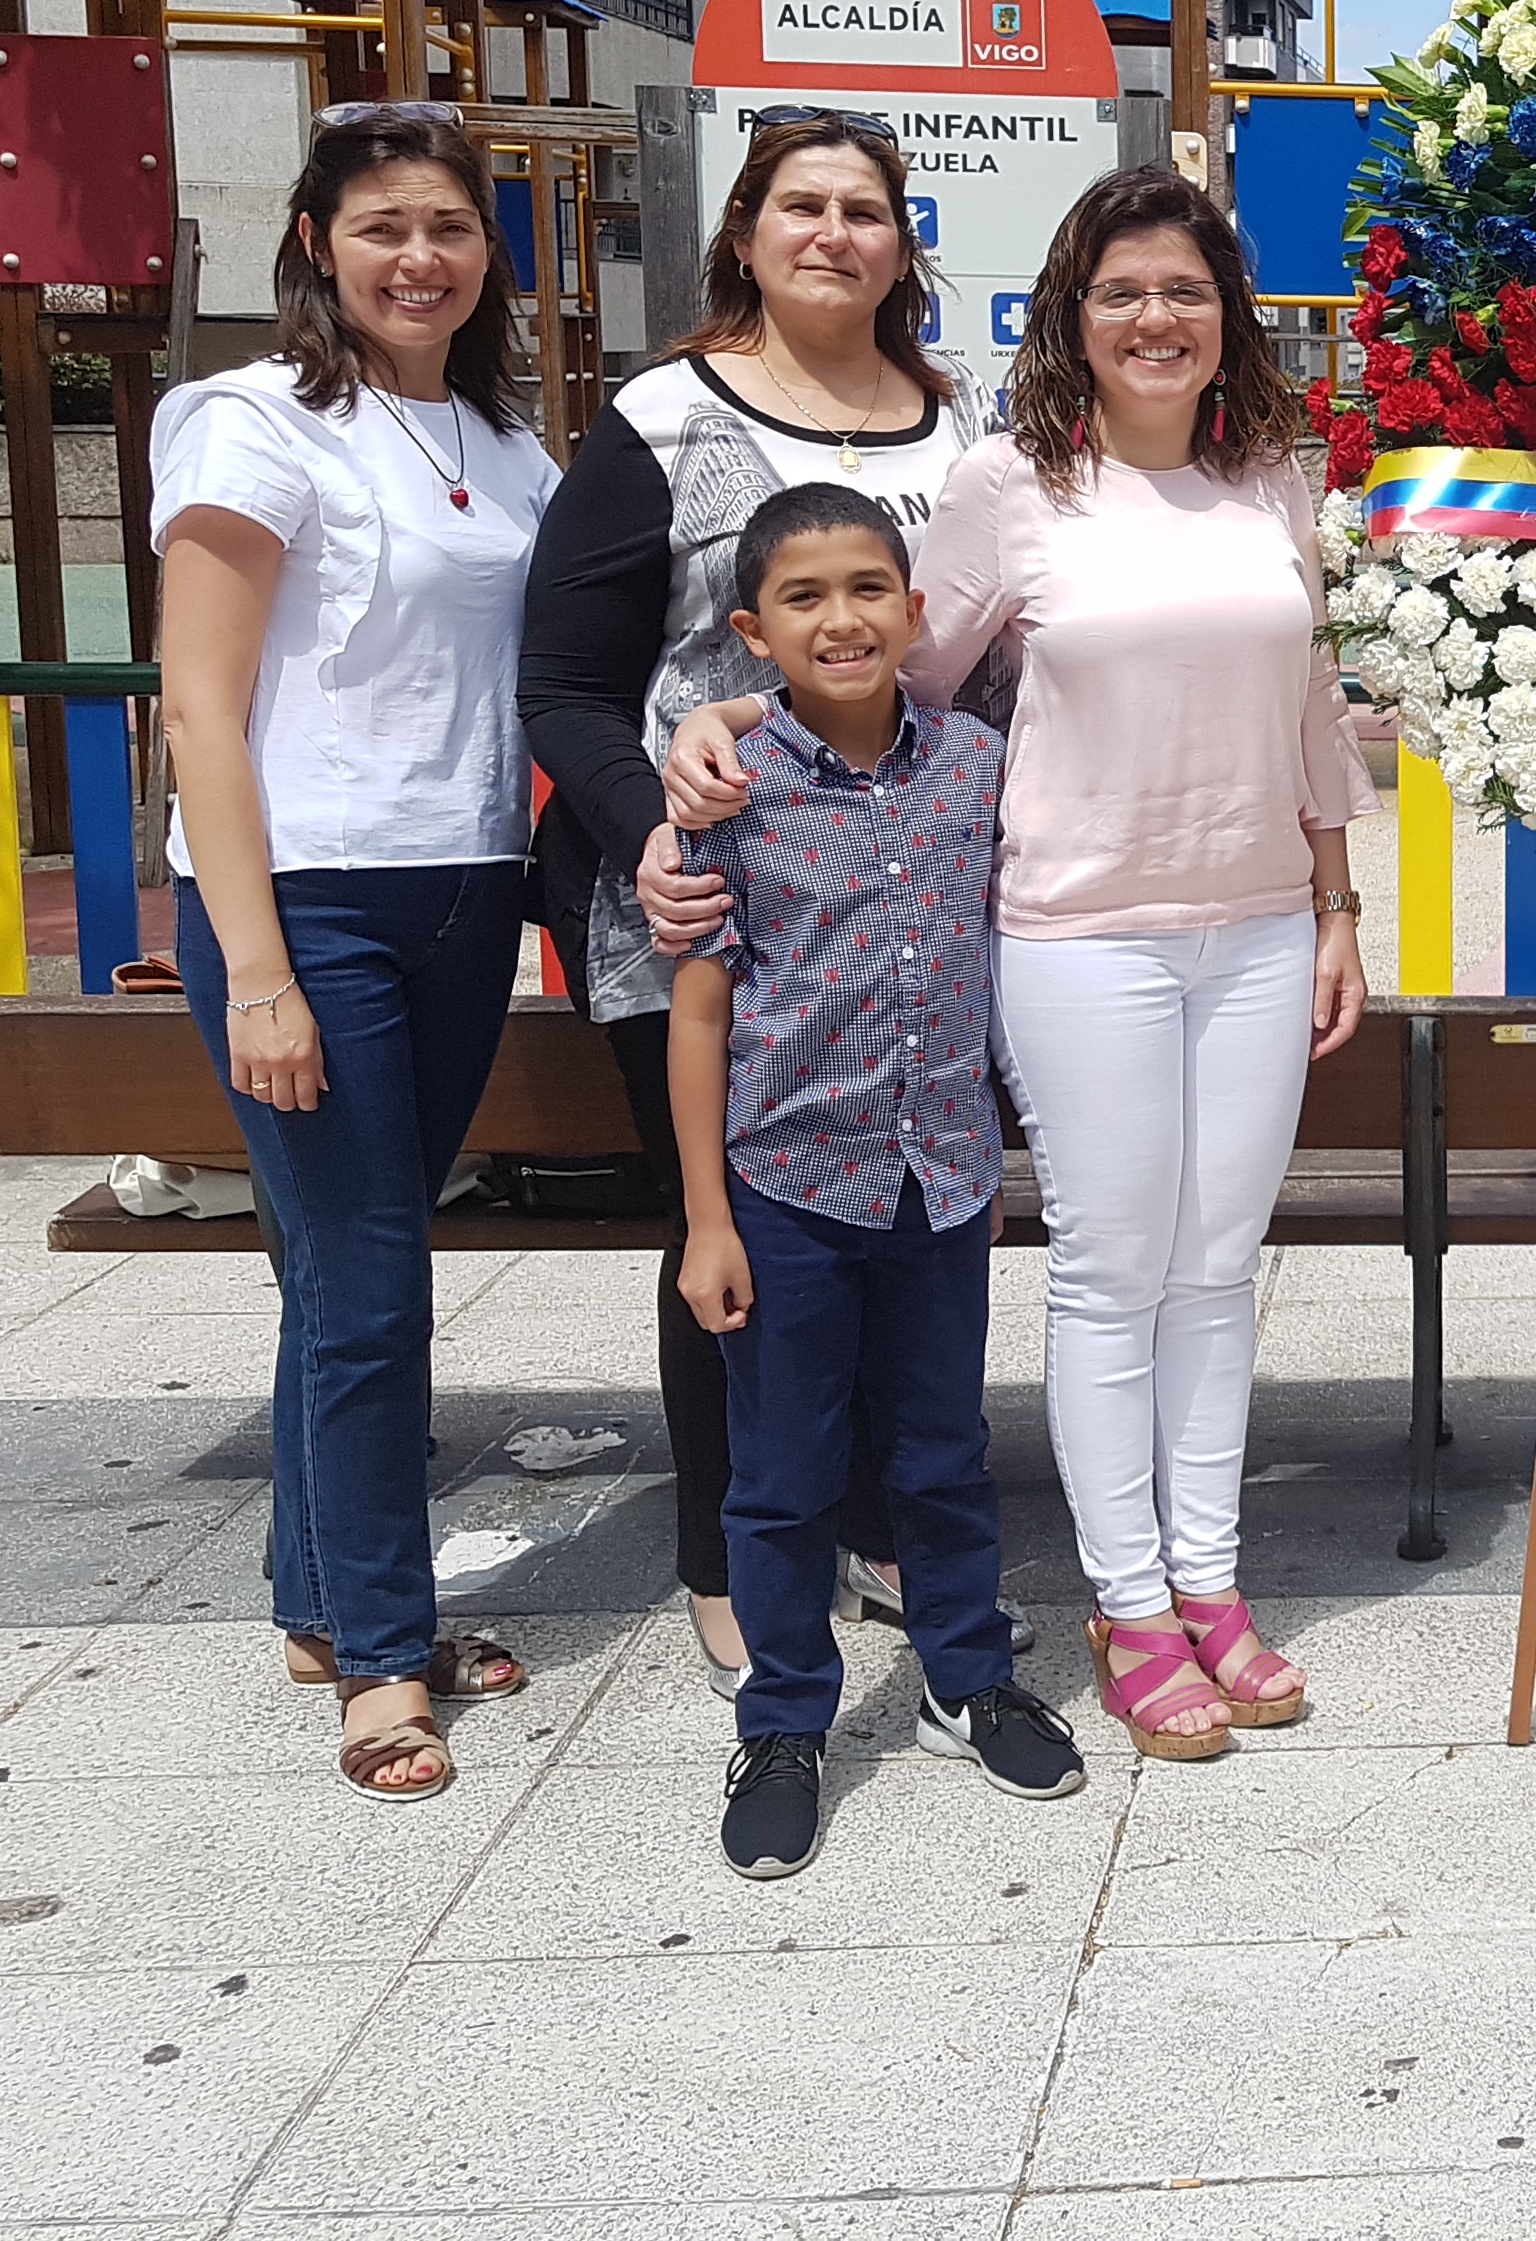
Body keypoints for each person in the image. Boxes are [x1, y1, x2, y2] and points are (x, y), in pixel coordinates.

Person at [663, 168, 1369, 1762]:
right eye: (1121, 290)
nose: (1154, 319)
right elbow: (882, 666)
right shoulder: (1012, 482)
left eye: (1183, 289)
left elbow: (1313, 703)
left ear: (1226, 313)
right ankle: (1130, 1607)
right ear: (1073, 312)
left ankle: (1214, 1583)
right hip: (1075, 934)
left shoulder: (1273, 474)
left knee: (1217, 1273)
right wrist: (717, 718)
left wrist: (1337, 906)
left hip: (1258, 925)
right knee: (1117, 1274)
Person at [517, 110, 995, 1695]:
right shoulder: (661, 416)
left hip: (895, 908)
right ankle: (728, 1550)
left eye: (868, 208)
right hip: (696, 902)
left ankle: (863, 1519)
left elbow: (987, 656)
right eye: (804, 205)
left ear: (903, 242)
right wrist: (662, 812)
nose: (835, 234)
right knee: (734, 1238)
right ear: (745, 231)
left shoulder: (963, 418)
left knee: (889, 1221)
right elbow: (569, 682)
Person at [156, 102, 559, 1799]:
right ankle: (388, 1662)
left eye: (451, 228)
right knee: (379, 1286)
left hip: (466, 885)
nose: (420, 257)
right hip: (309, 898)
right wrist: (253, 962)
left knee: (339, 1279)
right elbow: (198, 703)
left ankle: (324, 1596)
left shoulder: (505, 440)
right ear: (319, 238)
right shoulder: (254, 423)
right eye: (384, 225)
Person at [671, 484, 1085, 1875]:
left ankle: (966, 1679)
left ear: (916, 611)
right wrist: (708, 1221)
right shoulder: (735, 792)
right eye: (804, 597)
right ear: (753, 632)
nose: (841, 618)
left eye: (868, 589)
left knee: (942, 1451)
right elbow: (702, 1012)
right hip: (788, 1188)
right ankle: (785, 1717)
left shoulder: (974, 763)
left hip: (942, 1182)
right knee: (782, 1478)